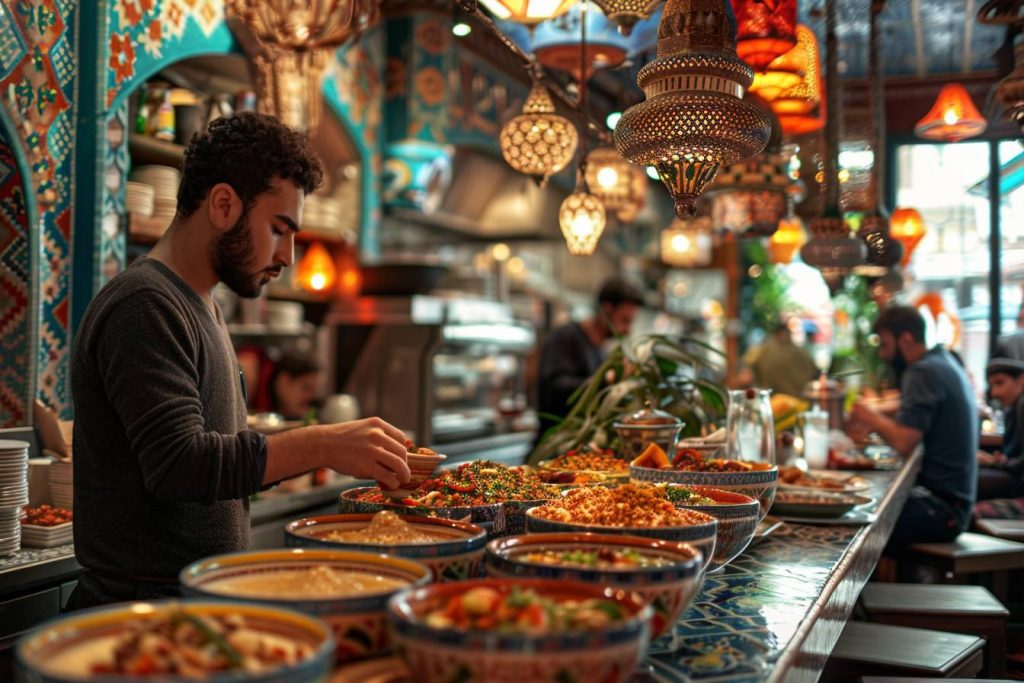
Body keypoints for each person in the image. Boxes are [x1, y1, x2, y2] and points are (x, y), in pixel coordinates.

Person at [70, 113, 411, 608]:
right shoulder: (145, 303)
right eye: (278, 229)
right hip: (140, 609)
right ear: (224, 204)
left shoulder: (200, 302)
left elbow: (213, 450)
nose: (288, 255)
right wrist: (322, 444)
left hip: (191, 597)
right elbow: (179, 466)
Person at [845, 306, 978, 549]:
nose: (883, 354)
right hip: (956, 505)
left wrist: (870, 416)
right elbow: (912, 406)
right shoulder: (942, 361)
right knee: (867, 503)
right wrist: (876, 412)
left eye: (885, 344)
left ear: (905, 339)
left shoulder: (921, 371)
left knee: (850, 517)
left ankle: (866, 576)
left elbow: (904, 441)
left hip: (941, 511)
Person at [535, 278, 643, 441]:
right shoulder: (565, 338)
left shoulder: (599, 349)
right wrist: (607, 379)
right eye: (625, 320)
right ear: (607, 309)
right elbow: (556, 387)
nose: (628, 330)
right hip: (556, 443)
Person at [976, 358, 1024, 501]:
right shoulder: (1012, 408)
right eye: (992, 386)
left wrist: (994, 462)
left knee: (967, 479)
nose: (995, 393)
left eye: (1000, 383)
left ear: (1021, 380)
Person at [740, 321, 818, 397]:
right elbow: (814, 373)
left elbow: (745, 373)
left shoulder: (761, 350)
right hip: (795, 400)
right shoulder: (802, 352)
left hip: (773, 400)